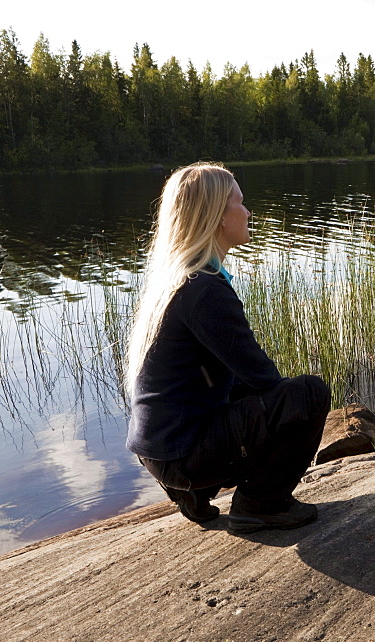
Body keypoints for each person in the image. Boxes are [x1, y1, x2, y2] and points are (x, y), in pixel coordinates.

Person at [125, 162, 329, 533]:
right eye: (240, 203)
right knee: (308, 394)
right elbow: (262, 377)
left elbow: (225, 378)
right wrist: (288, 421)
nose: (248, 212)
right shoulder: (205, 290)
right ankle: (260, 504)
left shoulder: (178, 279)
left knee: (240, 390)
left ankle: (194, 495)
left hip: (159, 449)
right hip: (182, 453)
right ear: (217, 215)